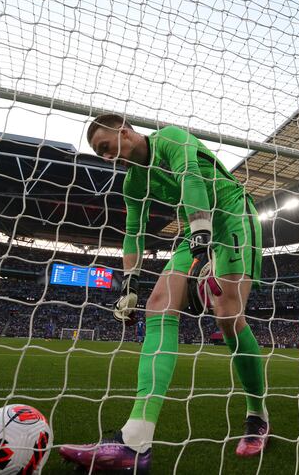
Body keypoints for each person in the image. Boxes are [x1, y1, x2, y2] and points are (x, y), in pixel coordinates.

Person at [60, 115, 267, 472]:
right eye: (100, 154)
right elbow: (133, 232)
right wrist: (130, 281)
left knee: (228, 315)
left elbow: (189, 178)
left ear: (124, 130)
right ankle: (136, 440)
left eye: (106, 147)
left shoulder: (171, 139)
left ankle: (257, 414)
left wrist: (203, 232)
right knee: (158, 306)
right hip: (195, 227)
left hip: (231, 214)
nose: (107, 157)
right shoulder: (133, 182)